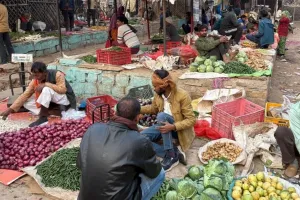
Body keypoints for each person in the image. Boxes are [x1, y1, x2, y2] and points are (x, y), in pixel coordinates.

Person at [77, 97, 164, 200]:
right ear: (137, 118)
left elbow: (80, 164)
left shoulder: (92, 129)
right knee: (161, 173)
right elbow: (154, 171)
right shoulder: (140, 141)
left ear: (114, 112)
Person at [140, 69, 196, 171]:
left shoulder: (182, 95)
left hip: (178, 130)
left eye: (155, 86)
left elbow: (191, 120)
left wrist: (173, 126)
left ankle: (171, 156)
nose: (154, 89)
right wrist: (136, 109)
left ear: (164, 86)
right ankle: (174, 152)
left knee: (161, 116)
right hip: (164, 126)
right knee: (141, 139)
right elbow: (153, 109)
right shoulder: (158, 95)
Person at [0, 62, 76, 127]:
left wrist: (46, 84)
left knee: (46, 89)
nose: (36, 78)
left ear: (45, 73)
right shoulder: (35, 80)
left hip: (64, 98)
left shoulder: (57, 74)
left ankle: (43, 117)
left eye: (38, 75)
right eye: (34, 75)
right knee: (26, 103)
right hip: (51, 101)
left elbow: (63, 90)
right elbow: (25, 95)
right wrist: (10, 109)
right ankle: (52, 112)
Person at [274, 101, 300, 178]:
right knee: (281, 132)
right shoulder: (296, 109)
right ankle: (292, 161)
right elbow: (298, 137)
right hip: (297, 141)